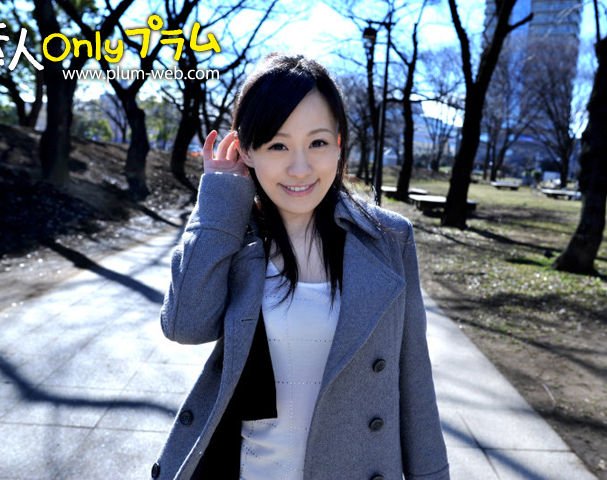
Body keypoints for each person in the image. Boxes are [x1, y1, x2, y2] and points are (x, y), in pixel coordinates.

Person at [151, 52, 449, 480]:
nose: (300, 168)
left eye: (318, 143)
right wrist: (219, 198)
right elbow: (185, 326)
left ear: (339, 144)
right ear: (246, 150)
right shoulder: (234, 234)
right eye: (277, 145)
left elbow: (414, 378)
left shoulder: (389, 238)